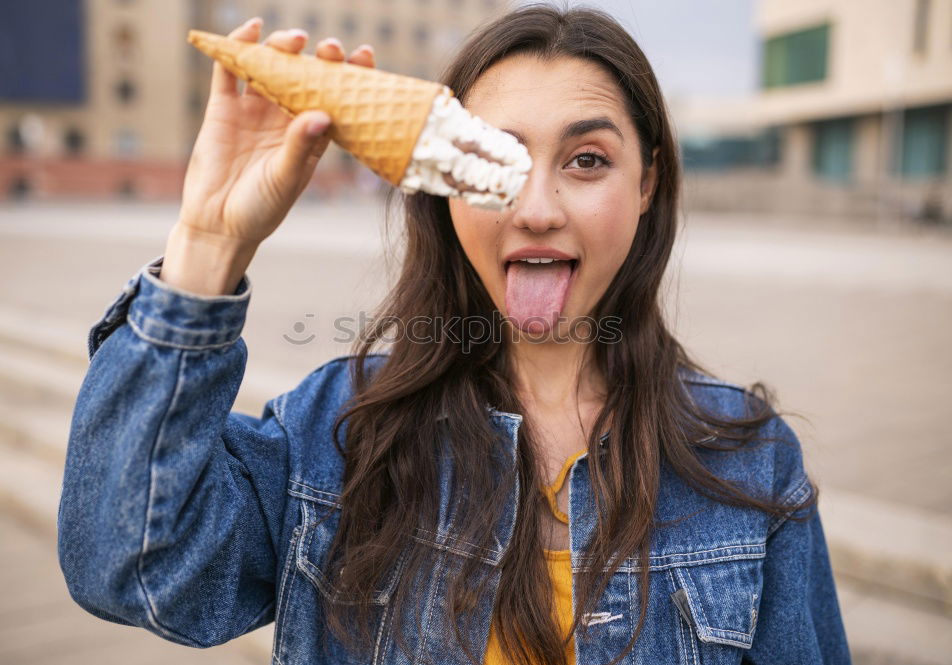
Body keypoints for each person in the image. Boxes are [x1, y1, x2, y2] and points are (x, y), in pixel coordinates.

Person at [57, 6, 851, 665]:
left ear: (646, 185)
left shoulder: (751, 461)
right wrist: (208, 238)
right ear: (440, 191)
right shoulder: (337, 435)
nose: (536, 208)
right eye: (494, 158)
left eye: (585, 159)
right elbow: (129, 565)